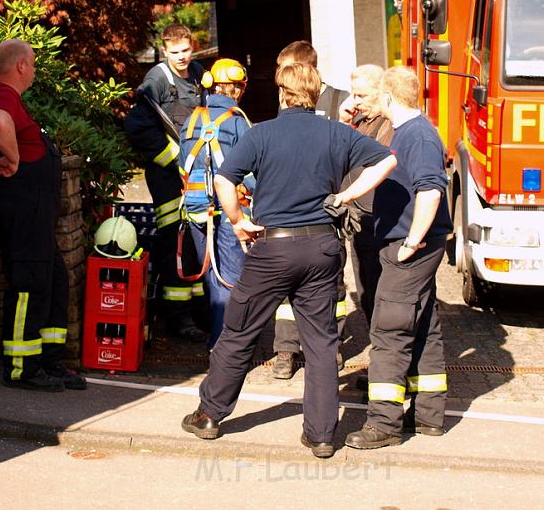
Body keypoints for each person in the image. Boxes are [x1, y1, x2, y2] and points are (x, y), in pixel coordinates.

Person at [181, 62, 396, 459]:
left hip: (273, 250)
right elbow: (387, 161)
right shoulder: (337, 133)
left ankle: (209, 415)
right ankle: (320, 435)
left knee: (240, 331)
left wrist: (237, 221)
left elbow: (225, 179)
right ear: (316, 94)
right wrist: (346, 198)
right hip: (321, 248)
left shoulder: (261, 133)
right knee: (320, 342)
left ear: (281, 93)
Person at [345, 65, 453, 450]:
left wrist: (411, 241)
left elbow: (430, 191)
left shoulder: (418, 136)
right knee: (423, 324)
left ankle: (384, 424)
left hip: (409, 246)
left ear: (389, 98)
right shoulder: (409, 132)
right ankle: (428, 417)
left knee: (389, 329)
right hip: (410, 242)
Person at [0, 39, 86, 392]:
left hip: (33, 209)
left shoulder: (3, 95)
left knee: (52, 279)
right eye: (33, 64)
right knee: (29, 284)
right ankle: (22, 368)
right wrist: (16, 158)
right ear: (20, 65)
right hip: (23, 206)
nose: (34, 70)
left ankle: (48, 361)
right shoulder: (1, 96)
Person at [271, 40, 349, 380]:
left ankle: (329, 348)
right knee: (288, 287)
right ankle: (286, 351)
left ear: (307, 71)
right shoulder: (286, 103)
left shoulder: (341, 101)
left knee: (333, 288)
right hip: (294, 211)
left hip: (330, 212)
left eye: (285, 74)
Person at [124, 24, 206, 342]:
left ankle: (201, 310)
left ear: (192, 47)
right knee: (176, 241)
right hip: (168, 176)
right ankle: (177, 317)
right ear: (164, 50)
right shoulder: (157, 80)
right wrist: (174, 158)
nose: (181, 57)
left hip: (197, 173)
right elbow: (137, 127)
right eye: (175, 52)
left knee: (199, 238)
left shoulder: (200, 74)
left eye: (185, 50)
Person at [179, 58, 253, 350]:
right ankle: (225, 349)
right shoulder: (238, 121)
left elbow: (181, 163)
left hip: (196, 210)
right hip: (227, 211)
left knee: (211, 276)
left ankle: (218, 341)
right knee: (230, 279)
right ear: (237, 89)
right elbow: (250, 171)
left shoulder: (192, 119)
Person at [338, 65, 395, 327]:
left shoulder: (391, 124)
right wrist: (344, 123)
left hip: (381, 219)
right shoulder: (360, 120)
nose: (355, 102)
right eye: (354, 95)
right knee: (366, 285)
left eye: (361, 96)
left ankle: (385, 338)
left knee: (380, 285)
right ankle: (376, 331)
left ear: (381, 92)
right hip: (360, 215)